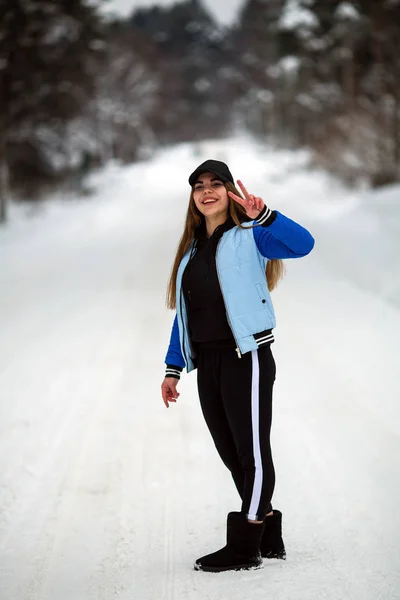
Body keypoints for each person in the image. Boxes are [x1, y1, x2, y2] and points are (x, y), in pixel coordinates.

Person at [161, 159, 314, 573]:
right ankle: (268, 534)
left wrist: (263, 215)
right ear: (193, 198)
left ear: (230, 191)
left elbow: (303, 244)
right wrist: (173, 368)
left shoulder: (251, 235)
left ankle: (245, 546)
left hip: (246, 356)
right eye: (198, 186)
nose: (206, 191)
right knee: (230, 451)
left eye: (215, 183)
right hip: (208, 359)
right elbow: (185, 315)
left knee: (253, 453)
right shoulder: (191, 249)